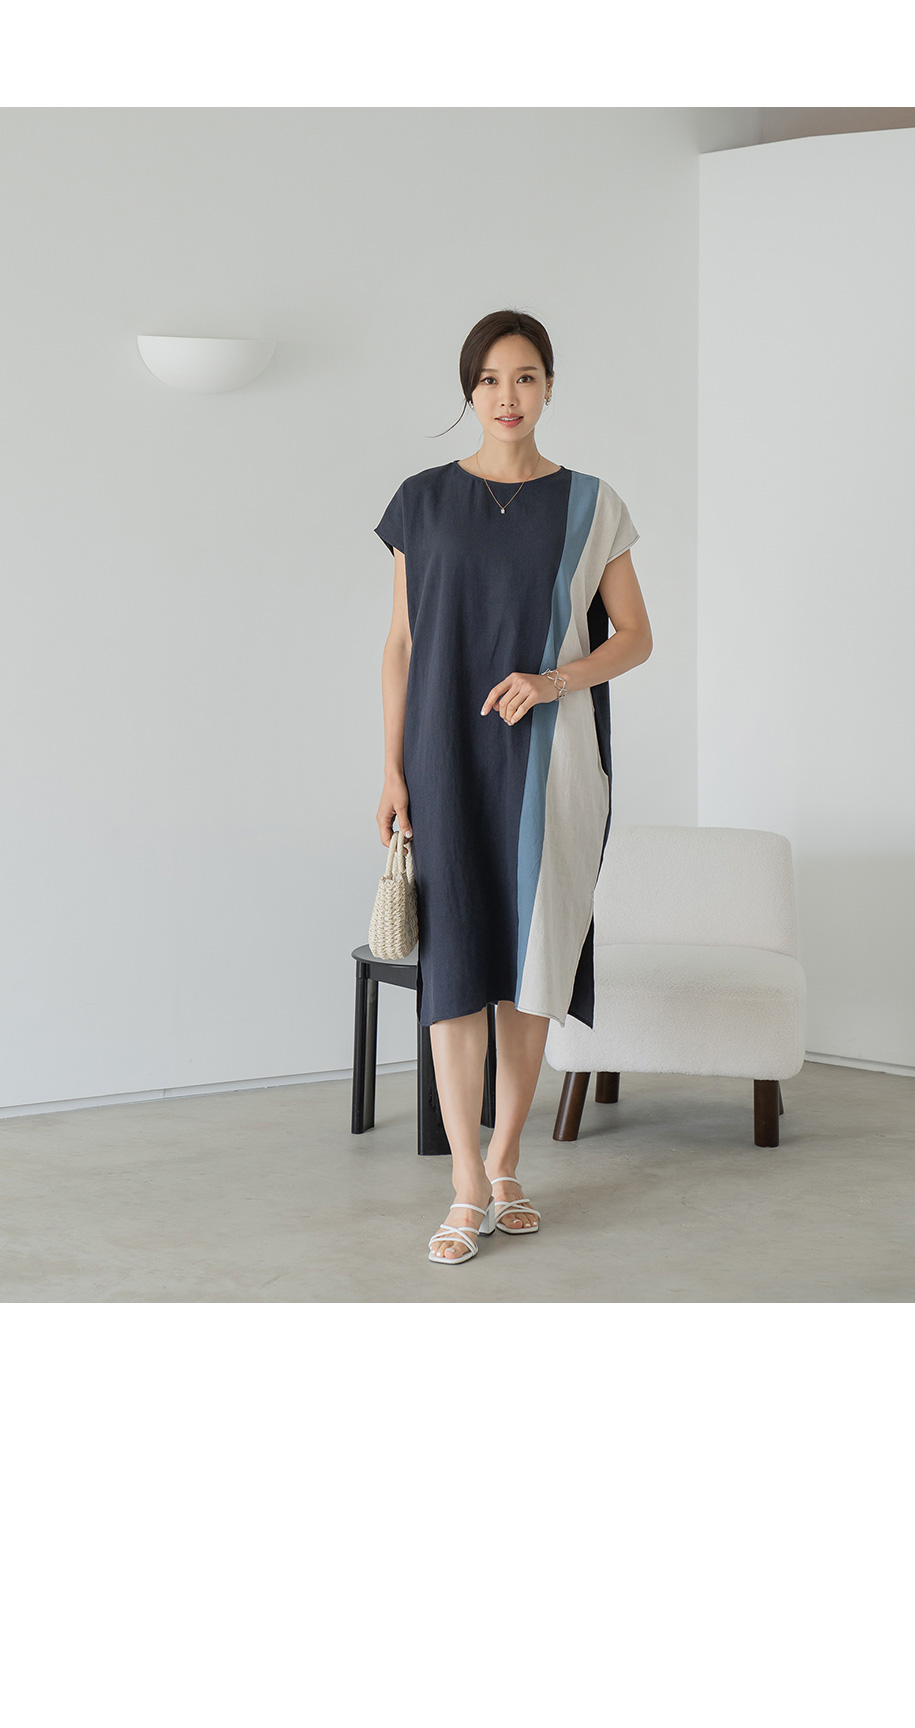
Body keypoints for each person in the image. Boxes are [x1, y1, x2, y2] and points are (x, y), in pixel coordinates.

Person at [374, 310, 651, 1266]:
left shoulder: (591, 504)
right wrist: (392, 769)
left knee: (531, 971)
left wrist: (552, 679)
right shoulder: (421, 501)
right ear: (470, 390)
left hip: (553, 764)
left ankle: (505, 1162)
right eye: (490, 379)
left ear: (549, 387)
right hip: (444, 760)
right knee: (455, 970)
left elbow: (635, 637)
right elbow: (402, 644)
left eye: (525, 377)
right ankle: (464, 1184)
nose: (507, 396)